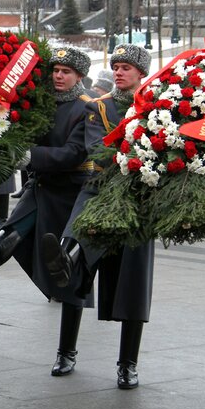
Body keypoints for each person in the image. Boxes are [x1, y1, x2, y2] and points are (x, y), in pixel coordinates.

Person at [0, 47, 93, 377]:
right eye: (55, 70)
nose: (58, 75)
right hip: (41, 186)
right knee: (16, 226)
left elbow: (73, 153)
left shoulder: (87, 109)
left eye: (66, 71)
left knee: (69, 274)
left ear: (79, 76)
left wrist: (28, 155)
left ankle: (66, 351)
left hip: (71, 191)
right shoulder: (42, 102)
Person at [40, 44, 154, 389]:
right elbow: (98, 149)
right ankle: (65, 352)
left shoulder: (160, 106)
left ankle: (128, 364)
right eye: (116, 66)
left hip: (140, 203)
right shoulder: (98, 107)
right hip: (99, 193)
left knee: (133, 284)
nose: (119, 72)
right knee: (72, 272)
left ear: (141, 73)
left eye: (127, 67)